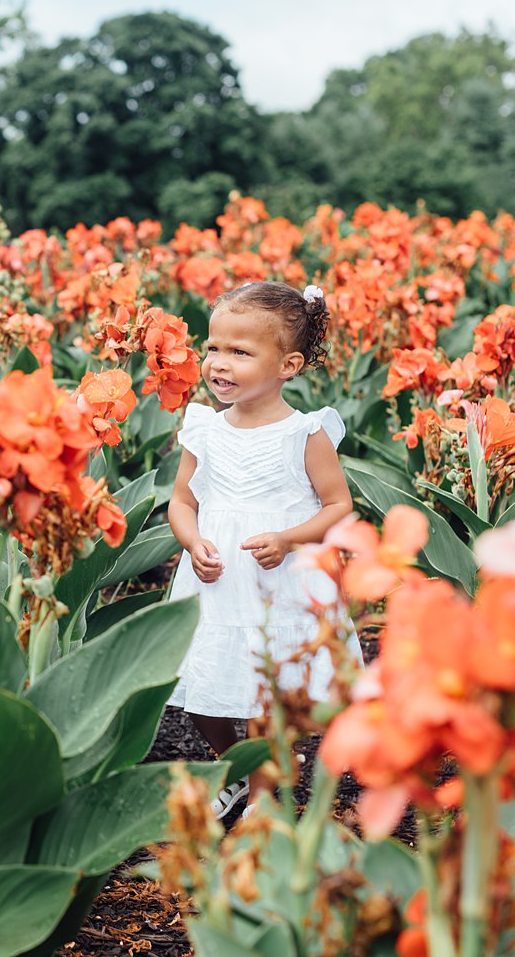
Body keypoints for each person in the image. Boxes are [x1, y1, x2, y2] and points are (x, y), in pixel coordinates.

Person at [166, 280, 358, 818]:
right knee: (202, 692)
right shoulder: (203, 429)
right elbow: (182, 502)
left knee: (261, 694)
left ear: (288, 365)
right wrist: (191, 539)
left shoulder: (305, 432)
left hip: (279, 578)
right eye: (213, 348)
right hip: (218, 578)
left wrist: (289, 537)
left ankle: (265, 796)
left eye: (240, 352)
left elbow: (338, 505)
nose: (218, 364)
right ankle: (240, 768)